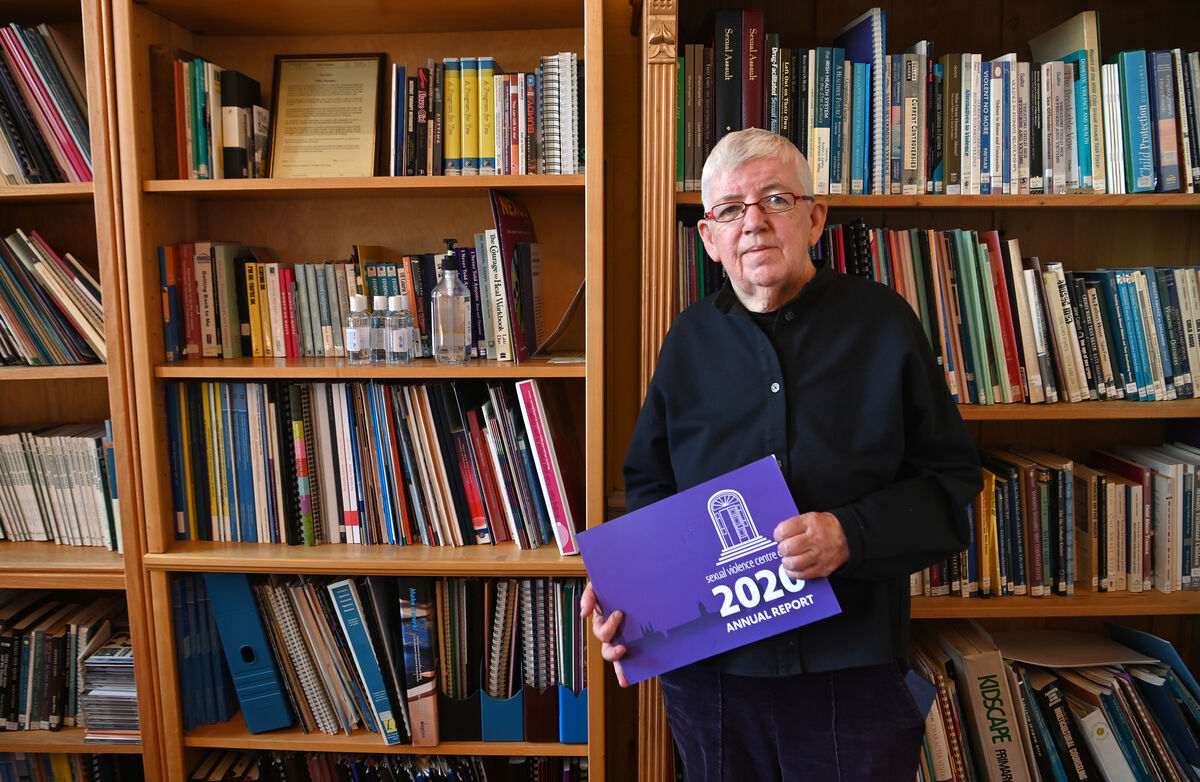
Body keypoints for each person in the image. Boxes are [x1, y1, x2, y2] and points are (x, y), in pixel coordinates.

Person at [581, 128, 982, 781]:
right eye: (732, 209)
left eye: (776, 199)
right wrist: (627, 584)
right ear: (709, 237)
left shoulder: (885, 326)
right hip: (711, 676)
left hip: (847, 671)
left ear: (814, 217)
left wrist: (849, 534)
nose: (755, 223)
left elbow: (951, 483)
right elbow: (649, 486)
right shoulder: (686, 342)